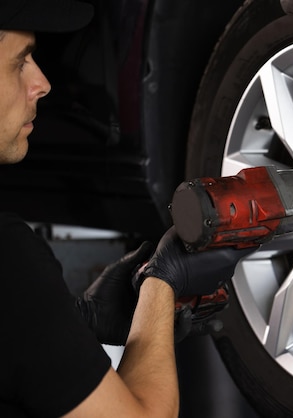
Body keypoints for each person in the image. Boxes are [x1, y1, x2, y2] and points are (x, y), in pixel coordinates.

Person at [0, 1, 252, 416]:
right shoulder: (5, 257)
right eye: (20, 61)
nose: (42, 82)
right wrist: (160, 284)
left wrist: (77, 318)